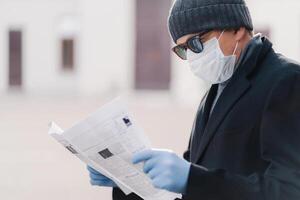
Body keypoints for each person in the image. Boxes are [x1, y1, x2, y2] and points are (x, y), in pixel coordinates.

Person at [87, 0, 300, 199]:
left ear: (236, 29)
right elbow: (191, 191)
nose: (192, 57)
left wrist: (192, 178)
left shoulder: (287, 81)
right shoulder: (215, 91)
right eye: (183, 49)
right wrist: (126, 183)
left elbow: (289, 190)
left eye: (196, 43)